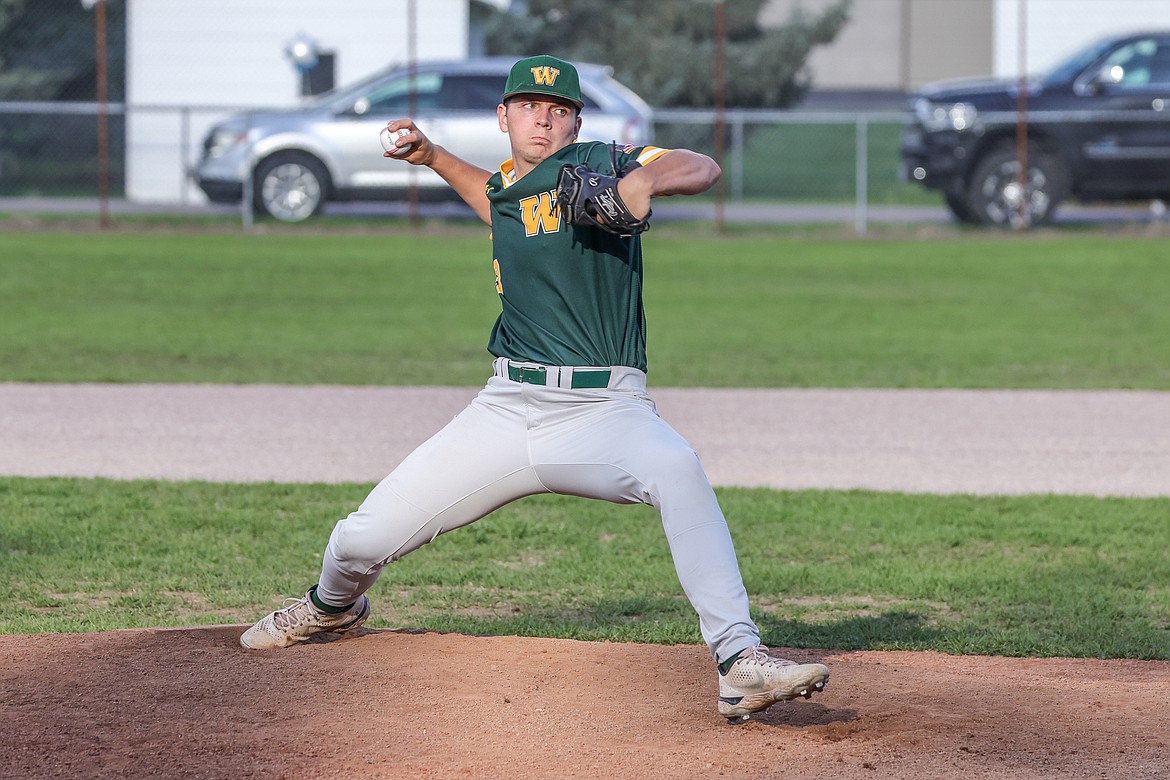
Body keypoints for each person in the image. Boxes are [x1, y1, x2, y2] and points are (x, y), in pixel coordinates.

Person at [240, 54, 829, 721]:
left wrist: (642, 185)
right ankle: (330, 609)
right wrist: (432, 155)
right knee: (358, 540)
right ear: (504, 115)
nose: (542, 118)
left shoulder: (603, 161)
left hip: (606, 410)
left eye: (557, 109)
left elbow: (701, 167)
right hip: (504, 409)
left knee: (677, 468)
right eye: (528, 105)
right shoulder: (507, 187)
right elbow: (494, 201)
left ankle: (739, 661)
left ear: (576, 120)